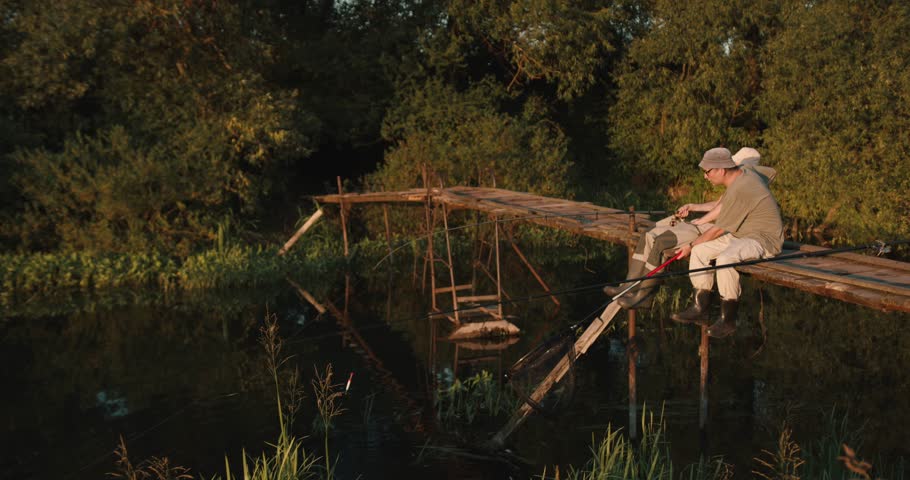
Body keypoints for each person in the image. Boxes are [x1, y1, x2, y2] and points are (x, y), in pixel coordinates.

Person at [605, 147, 774, 311]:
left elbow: (722, 216)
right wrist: (693, 207)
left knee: (661, 242)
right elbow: (718, 205)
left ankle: (644, 296)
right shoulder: (738, 180)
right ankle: (627, 287)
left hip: (720, 232)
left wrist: (701, 223)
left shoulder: (747, 185)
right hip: (708, 227)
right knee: (648, 235)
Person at [670, 147, 784, 338]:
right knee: (701, 251)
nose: (705, 177)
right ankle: (700, 307)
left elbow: (717, 230)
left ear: (721, 170)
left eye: (707, 172)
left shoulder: (742, 186)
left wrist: (689, 246)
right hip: (742, 233)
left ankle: (728, 319)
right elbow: (771, 173)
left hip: (764, 239)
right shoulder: (744, 172)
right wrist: (694, 247)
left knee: (725, 258)